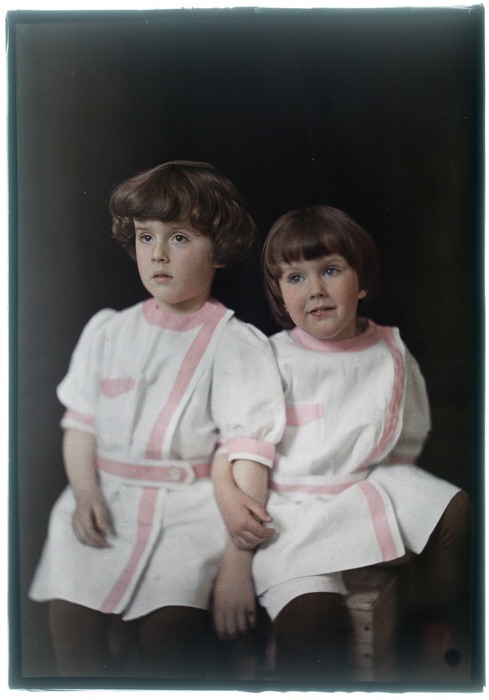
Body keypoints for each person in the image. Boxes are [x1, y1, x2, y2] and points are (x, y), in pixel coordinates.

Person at [29, 160, 285, 678]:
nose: (158, 254)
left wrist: (236, 567)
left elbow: (248, 454)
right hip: (103, 505)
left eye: (180, 238)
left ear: (220, 251)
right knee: (73, 638)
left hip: (188, 518)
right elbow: (80, 425)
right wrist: (85, 492)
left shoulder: (237, 345)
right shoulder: (108, 332)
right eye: (146, 237)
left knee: (170, 642)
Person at [211, 205, 470, 682]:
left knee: (452, 508)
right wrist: (235, 557)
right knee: (310, 617)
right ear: (279, 293)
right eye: (295, 278)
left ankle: (432, 625)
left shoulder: (389, 352)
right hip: (291, 510)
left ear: (362, 282)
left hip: (364, 488)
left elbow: (406, 440)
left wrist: (405, 502)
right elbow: (237, 449)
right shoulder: (269, 357)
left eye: (330, 270)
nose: (315, 289)